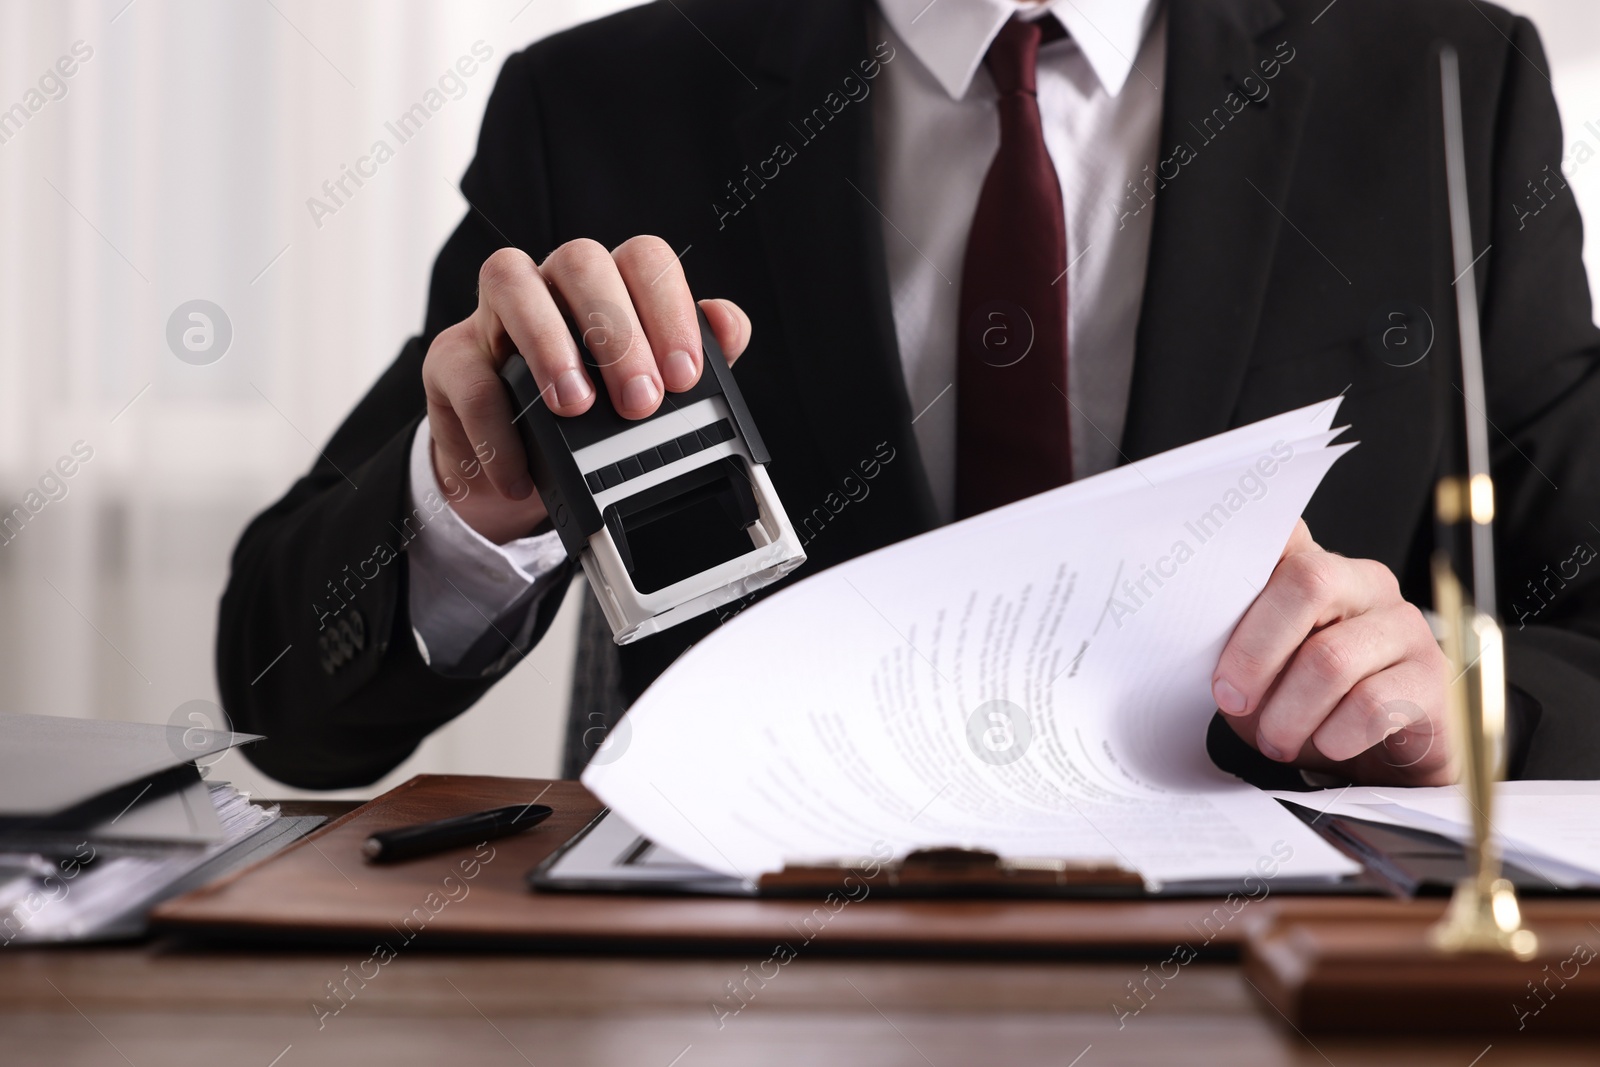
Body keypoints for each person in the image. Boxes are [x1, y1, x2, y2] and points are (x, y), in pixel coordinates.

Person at [218, 0, 1600, 790]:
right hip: (742, 983)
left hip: (1282, 982)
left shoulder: (1445, 86)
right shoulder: (598, 108)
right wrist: (470, 518)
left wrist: (1463, 703)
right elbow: (284, 695)